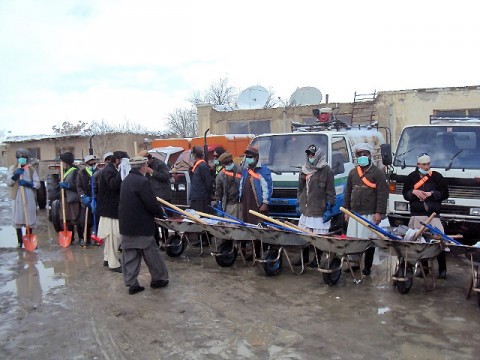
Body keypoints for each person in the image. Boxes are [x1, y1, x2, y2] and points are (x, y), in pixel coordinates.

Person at [119, 156, 169, 295]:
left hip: (126, 226)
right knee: (152, 255)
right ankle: (159, 279)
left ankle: (132, 283)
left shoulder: (126, 181)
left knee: (130, 256)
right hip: (141, 226)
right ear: (143, 167)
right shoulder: (142, 181)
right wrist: (161, 213)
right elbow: (150, 203)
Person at [343, 143, 388, 276]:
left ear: (369, 155)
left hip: (370, 213)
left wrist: (379, 212)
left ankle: (367, 266)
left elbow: (382, 194)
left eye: (365, 154)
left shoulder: (377, 173)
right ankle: (355, 264)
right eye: (359, 154)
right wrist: (346, 211)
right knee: (354, 240)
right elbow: (348, 193)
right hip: (355, 213)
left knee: (369, 241)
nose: (362, 156)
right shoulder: (352, 173)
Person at [402, 153, 449, 279]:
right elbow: (405, 194)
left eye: (428, 164)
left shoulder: (437, 177)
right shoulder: (411, 177)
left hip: (433, 215)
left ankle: (442, 270)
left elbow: (445, 193)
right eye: (424, 164)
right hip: (417, 214)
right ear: (418, 165)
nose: (426, 166)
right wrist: (413, 192)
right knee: (419, 243)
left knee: (439, 241)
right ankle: (423, 270)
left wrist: (431, 194)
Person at [296, 145, 336, 267]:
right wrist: (299, 202)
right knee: (304, 236)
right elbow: (300, 189)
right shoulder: (304, 170)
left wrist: (329, 207)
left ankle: (317, 259)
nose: (310, 157)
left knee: (318, 238)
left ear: (318, 155)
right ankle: (304, 257)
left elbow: (331, 191)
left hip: (319, 209)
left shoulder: (326, 170)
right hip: (306, 210)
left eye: (313, 154)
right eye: (309, 154)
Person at [239, 145, 273, 257]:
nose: (248, 158)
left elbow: (267, 188)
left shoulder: (263, 170)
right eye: (247, 156)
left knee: (258, 229)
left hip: (258, 205)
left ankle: (259, 253)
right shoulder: (246, 170)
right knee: (248, 228)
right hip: (247, 203)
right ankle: (251, 251)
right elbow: (241, 185)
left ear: (256, 157)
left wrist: (265, 203)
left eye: (250, 156)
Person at [6, 148, 40, 248]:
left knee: (29, 217)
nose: (21, 158)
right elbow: (9, 183)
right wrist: (16, 175)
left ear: (27, 158)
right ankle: (20, 240)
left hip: (28, 195)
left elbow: (37, 184)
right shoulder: (13, 168)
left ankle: (29, 237)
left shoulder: (31, 169)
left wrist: (29, 184)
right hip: (17, 196)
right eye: (20, 157)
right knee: (18, 217)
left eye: (23, 157)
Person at [137, 150, 173, 246]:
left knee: (163, 219)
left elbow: (166, 176)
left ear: (149, 159)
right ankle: (156, 242)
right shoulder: (145, 167)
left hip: (163, 196)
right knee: (155, 221)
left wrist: (152, 172)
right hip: (153, 196)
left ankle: (166, 240)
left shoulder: (160, 164)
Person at [97, 151, 124, 272]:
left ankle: (107, 258)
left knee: (110, 236)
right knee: (113, 236)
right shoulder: (109, 170)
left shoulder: (111, 170)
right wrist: (121, 173)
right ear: (117, 160)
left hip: (109, 209)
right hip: (110, 209)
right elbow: (114, 185)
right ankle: (114, 263)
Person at [189, 146, 213, 245]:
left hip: (201, 197)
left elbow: (208, 182)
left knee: (203, 219)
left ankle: (206, 239)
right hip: (196, 196)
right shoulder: (197, 166)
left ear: (195, 155)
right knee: (197, 218)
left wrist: (208, 194)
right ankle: (200, 238)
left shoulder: (202, 166)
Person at [59, 152, 82, 244]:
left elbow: (78, 186)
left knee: (75, 218)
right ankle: (70, 239)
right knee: (67, 219)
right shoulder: (63, 171)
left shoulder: (75, 171)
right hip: (65, 199)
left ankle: (81, 237)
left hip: (73, 199)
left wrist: (68, 186)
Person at [77, 154, 98, 246]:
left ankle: (97, 238)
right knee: (84, 221)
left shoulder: (98, 172)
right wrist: (83, 196)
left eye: (93, 162)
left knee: (97, 220)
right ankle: (85, 238)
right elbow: (79, 186)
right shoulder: (81, 173)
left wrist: (97, 197)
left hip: (96, 199)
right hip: (86, 199)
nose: (92, 164)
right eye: (90, 162)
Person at [214, 151, 242, 219]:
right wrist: (219, 203)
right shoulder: (221, 175)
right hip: (229, 204)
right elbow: (218, 191)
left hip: (240, 203)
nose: (229, 164)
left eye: (230, 162)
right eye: (226, 163)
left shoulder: (240, 170)